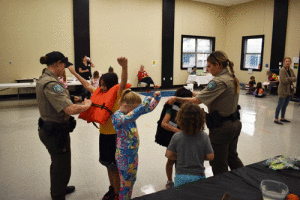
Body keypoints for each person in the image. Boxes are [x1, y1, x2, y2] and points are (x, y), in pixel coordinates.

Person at [166, 51, 244, 175]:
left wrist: (176, 99)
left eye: (209, 66)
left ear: (218, 65)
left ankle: (222, 189)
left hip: (222, 128)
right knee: (232, 157)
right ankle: (244, 180)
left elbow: (197, 101)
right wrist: (190, 93)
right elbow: (207, 95)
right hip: (235, 123)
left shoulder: (217, 82)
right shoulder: (231, 77)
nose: (207, 69)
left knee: (219, 163)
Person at [68, 57, 128, 200]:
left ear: (111, 84)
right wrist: (75, 73)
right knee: (107, 164)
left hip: (114, 135)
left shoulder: (118, 94)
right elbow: (87, 85)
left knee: (114, 166)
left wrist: (124, 66)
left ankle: (118, 193)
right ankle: (112, 189)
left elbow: (124, 82)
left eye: (104, 85)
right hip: (104, 135)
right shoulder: (101, 93)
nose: (101, 88)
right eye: (100, 85)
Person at [37, 51, 92, 200]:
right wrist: (90, 106)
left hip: (50, 128)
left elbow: (55, 101)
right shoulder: (52, 84)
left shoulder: (44, 78)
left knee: (57, 162)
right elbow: (70, 109)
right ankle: (58, 194)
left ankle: (60, 187)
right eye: (64, 66)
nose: (64, 69)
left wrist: (70, 98)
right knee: (61, 166)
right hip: (55, 132)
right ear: (58, 64)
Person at [112, 89, 161, 200]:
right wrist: (141, 107)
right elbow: (128, 118)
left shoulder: (130, 112)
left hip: (133, 154)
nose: (136, 111)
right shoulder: (117, 116)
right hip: (124, 156)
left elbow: (148, 108)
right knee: (125, 184)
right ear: (125, 105)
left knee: (131, 181)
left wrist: (156, 99)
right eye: (134, 108)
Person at [166, 102, 214, 187]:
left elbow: (169, 154)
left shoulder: (177, 136)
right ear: (201, 120)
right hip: (199, 176)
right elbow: (210, 156)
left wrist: (180, 156)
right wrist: (199, 156)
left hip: (181, 177)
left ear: (180, 119)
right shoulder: (204, 136)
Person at [155, 87, 193, 188]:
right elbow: (164, 124)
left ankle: (180, 179)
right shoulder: (171, 107)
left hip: (184, 140)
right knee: (171, 160)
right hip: (173, 139)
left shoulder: (188, 108)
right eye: (187, 99)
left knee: (182, 162)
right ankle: (169, 181)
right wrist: (180, 132)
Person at [274, 57, 297, 125]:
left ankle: (282, 118)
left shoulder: (291, 70)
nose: (288, 62)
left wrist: (289, 79)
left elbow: (295, 78)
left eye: (289, 61)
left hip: (289, 91)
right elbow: (284, 80)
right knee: (280, 105)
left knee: (285, 105)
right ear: (284, 62)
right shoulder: (282, 70)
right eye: (286, 61)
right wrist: (291, 78)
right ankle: (276, 119)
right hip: (283, 90)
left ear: (290, 62)